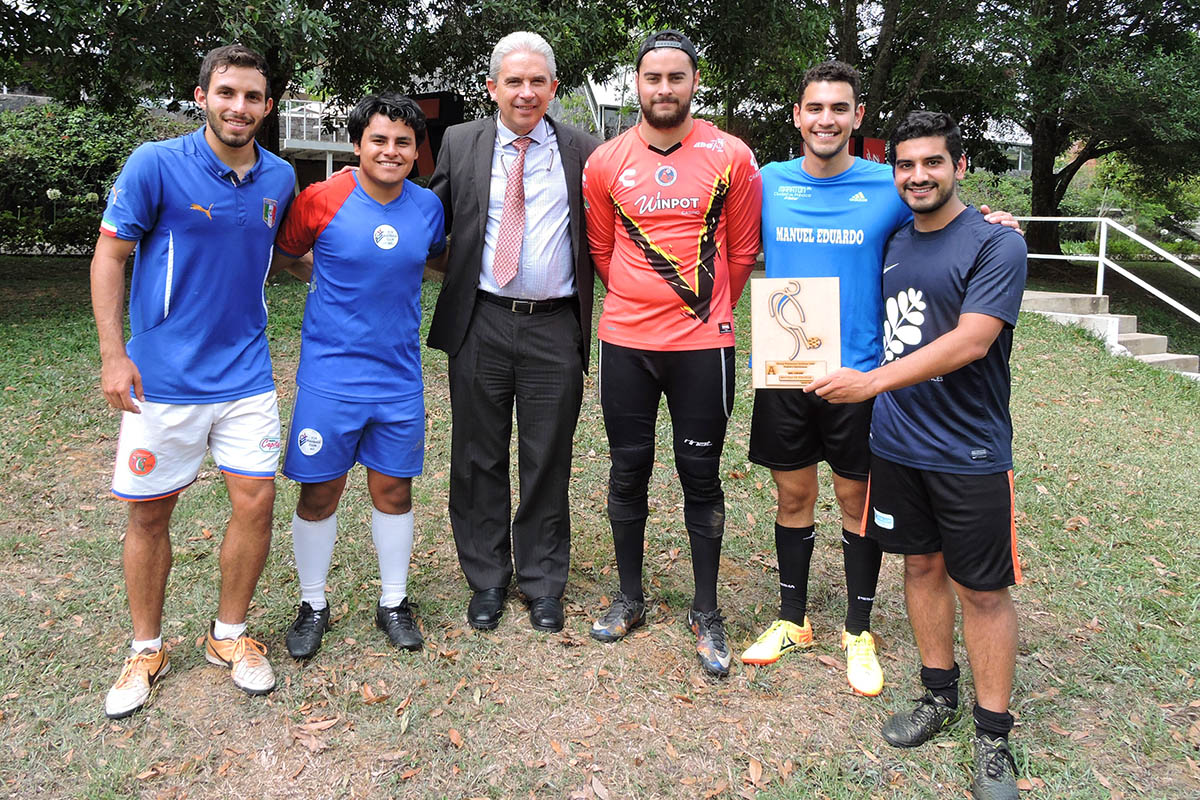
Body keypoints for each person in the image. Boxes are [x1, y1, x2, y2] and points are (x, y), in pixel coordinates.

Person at [743, 61, 1017, 697]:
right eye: (815, 108)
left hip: (865, 374)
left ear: (856, 117)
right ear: (797, 116)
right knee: (792, 497)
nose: (826, 119)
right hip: (787, 369)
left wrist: (993, 220)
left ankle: (857, 629)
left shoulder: (888, 185)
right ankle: (791, 620)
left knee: (853, 502)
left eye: (839, 108)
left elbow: (943, 214)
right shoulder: (767, 182)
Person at [806, 110, 1027, 800]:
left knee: (984, 591)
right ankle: (939, 693)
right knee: (922, 566)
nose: (919, 175)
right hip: (897, 443)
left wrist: (868, 384)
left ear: (960, 167)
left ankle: (993, 736)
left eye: (933, 162)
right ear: (892, 169)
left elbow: (971, 341)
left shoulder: (995, 243)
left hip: (970, 449)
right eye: (906, 164)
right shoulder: (896, 238)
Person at [92, 44, 296, 719]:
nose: (239, 108)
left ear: (268, 106)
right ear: (202, 94)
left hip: (245, 378)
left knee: (256, 504)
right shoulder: (156, 165)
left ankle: (228, 637)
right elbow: (110, 254)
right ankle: (146, 648)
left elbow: (291, 257)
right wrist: (113, 354)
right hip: (162, 383)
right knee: (149, 515)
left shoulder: (279, 178)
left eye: (252, 97)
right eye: (227, 93)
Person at [583, 30, 762, 677]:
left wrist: (704, 310)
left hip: (701, 348)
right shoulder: (605, 161)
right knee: (628, 470)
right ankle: (630, 597)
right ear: (637, 83)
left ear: (694, 83)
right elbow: (603, 252)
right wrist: (639, 304)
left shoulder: (732, 156)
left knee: (701, 477)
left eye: (675, 77)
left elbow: (742, 253)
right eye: (652, 77)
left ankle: (706, 609)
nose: (663, 88)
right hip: (627, 343)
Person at [427, 32, 600, 633]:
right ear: (493, 87)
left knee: (547, 456)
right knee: (476, 455)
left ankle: (543, 581)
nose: (526, 92)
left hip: (555, 326)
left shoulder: (584, 148)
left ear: (554, 87)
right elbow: (431, 219)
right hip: (482, 318)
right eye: (514, 81)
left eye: (538, 81)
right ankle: (487, 579)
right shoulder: (460, 141)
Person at [270, 94, 446, 659]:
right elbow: (286, 254)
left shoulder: (426, 208)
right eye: (379, 140)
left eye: (403, 142)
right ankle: (313, 604)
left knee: (394, 489)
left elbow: (434, 258)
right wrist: (321, 279)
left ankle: (393, 602)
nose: (391, 151)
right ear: (357, 144)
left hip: (398, 378)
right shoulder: (322, 198)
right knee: (320, 493)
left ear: (416, 151)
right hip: (330, 377)